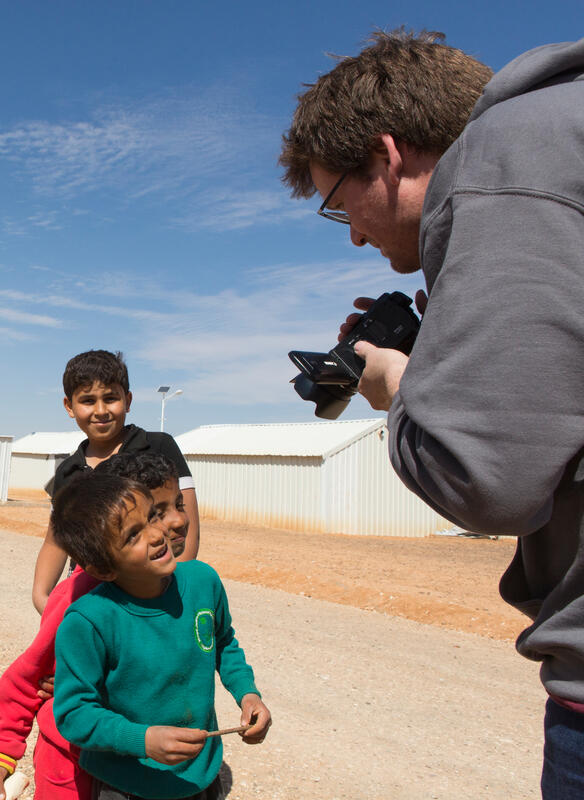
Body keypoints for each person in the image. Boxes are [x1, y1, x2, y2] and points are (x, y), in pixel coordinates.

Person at [280, 29, 584, 796]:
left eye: (338, 203)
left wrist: (397, 384)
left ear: (386, 156)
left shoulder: (499, 162)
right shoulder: (561, 138)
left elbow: (487, 481)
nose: (351, 233)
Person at [0, 452, 193, 800]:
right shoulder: (78, 599)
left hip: (137, 762)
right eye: (154, 512)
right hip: (69, 763)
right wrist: (2, 750)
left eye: (178, 505)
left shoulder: (178, 587)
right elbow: (27, 678)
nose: (176, 521)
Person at [50, 472, 270, 800]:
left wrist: (248, 694)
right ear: (102, 567)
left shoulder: (203, 582)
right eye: (133, 535)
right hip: (127, 784)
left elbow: (223, 642)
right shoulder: (89, 622)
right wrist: (142, 740)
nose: (156, 534)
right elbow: (74, 713)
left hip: (201, 776)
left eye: (152, 516)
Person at [32, 350, 199, 614]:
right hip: (91, 604)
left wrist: (170, 596)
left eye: (110, 398)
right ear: (69, 407)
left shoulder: (159, 447)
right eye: (88, 400)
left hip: (151, 598)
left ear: (128, 399)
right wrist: (42, 597)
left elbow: (184, 524)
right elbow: (55, 541)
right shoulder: (68, 471)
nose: (100, 411)